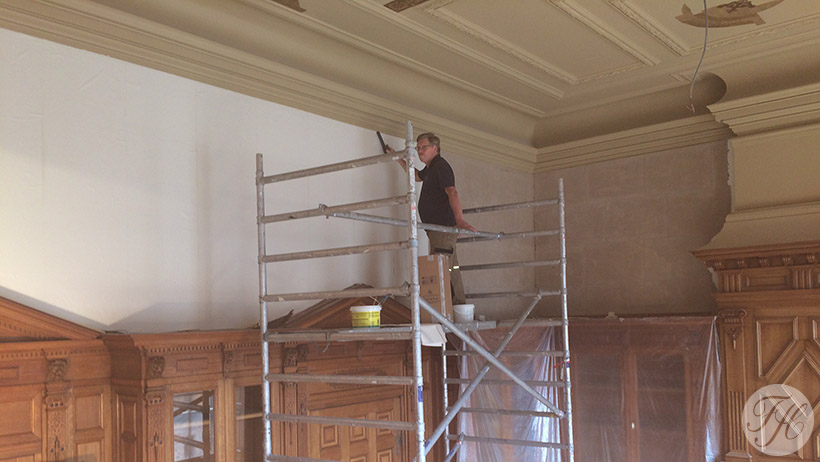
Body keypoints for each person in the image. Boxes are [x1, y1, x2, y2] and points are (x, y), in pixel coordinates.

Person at [389, 132, 476, 304]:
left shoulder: (441, 167)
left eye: (424, 147)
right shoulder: (431, 168)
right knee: (448, 268)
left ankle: (450, 312)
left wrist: (459, 220)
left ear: (435, 148)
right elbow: (415, 176)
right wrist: (398, 158)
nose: (420, 151)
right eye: (418, 148)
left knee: (443, 270)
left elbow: (452, 192)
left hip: (442, 229)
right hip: (437, 231)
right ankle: (455, 310)